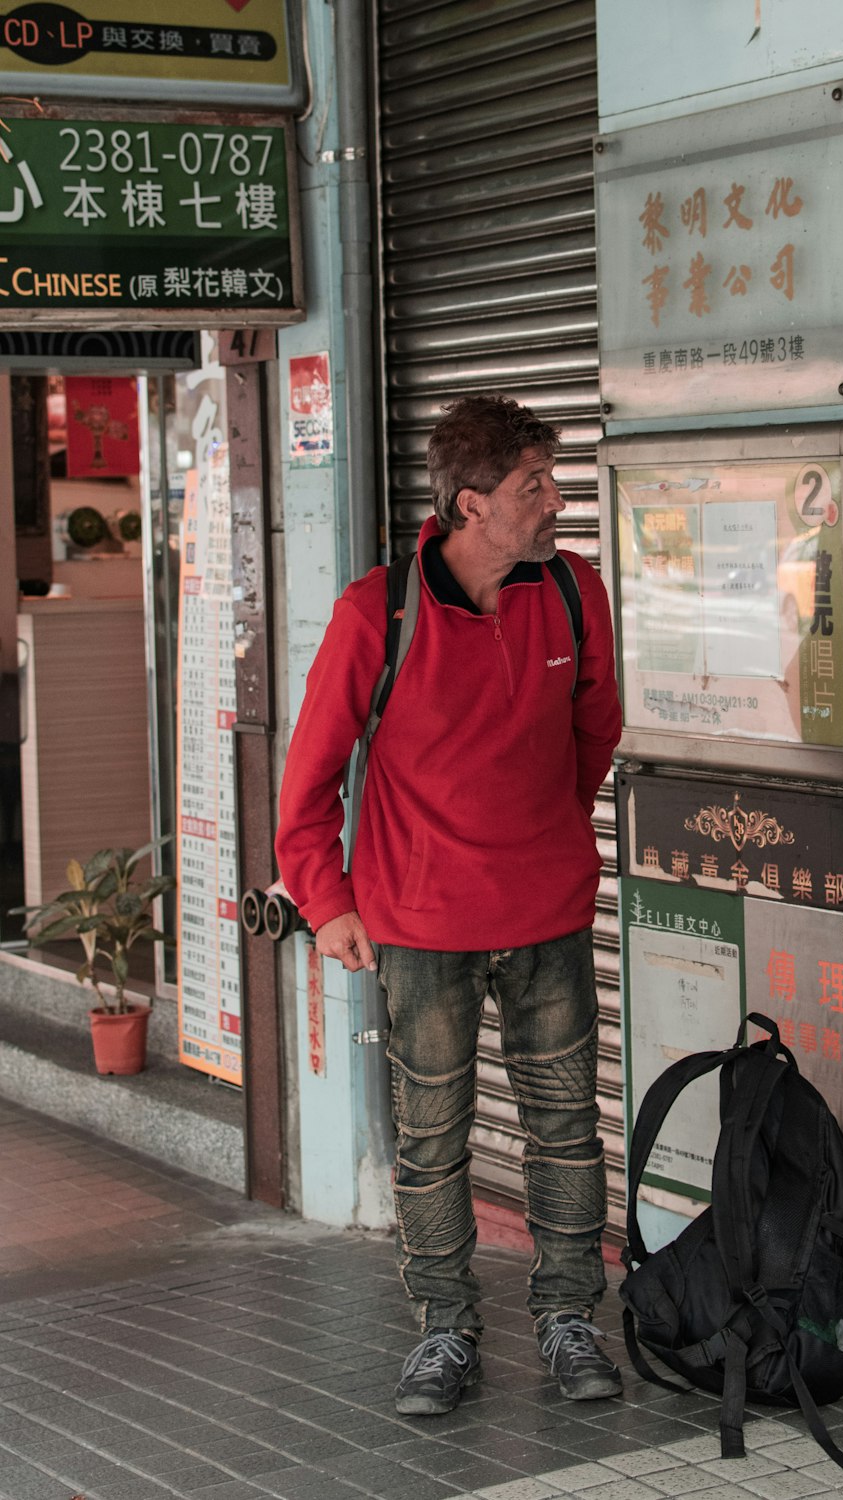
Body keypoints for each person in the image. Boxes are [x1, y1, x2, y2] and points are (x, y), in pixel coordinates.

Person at [276, 393, 623, 1415]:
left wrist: (546, 840)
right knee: (434, 1141)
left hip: (546, 912)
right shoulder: (374, 613)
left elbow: (593, 731)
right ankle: (444, 1331)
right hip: (418, 926)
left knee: (566, 1130)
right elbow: (307, 784)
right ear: (470, 505)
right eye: (533, 488)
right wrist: (327, 902)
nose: (554, 502)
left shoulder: (570, 592)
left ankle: (569, 1321)